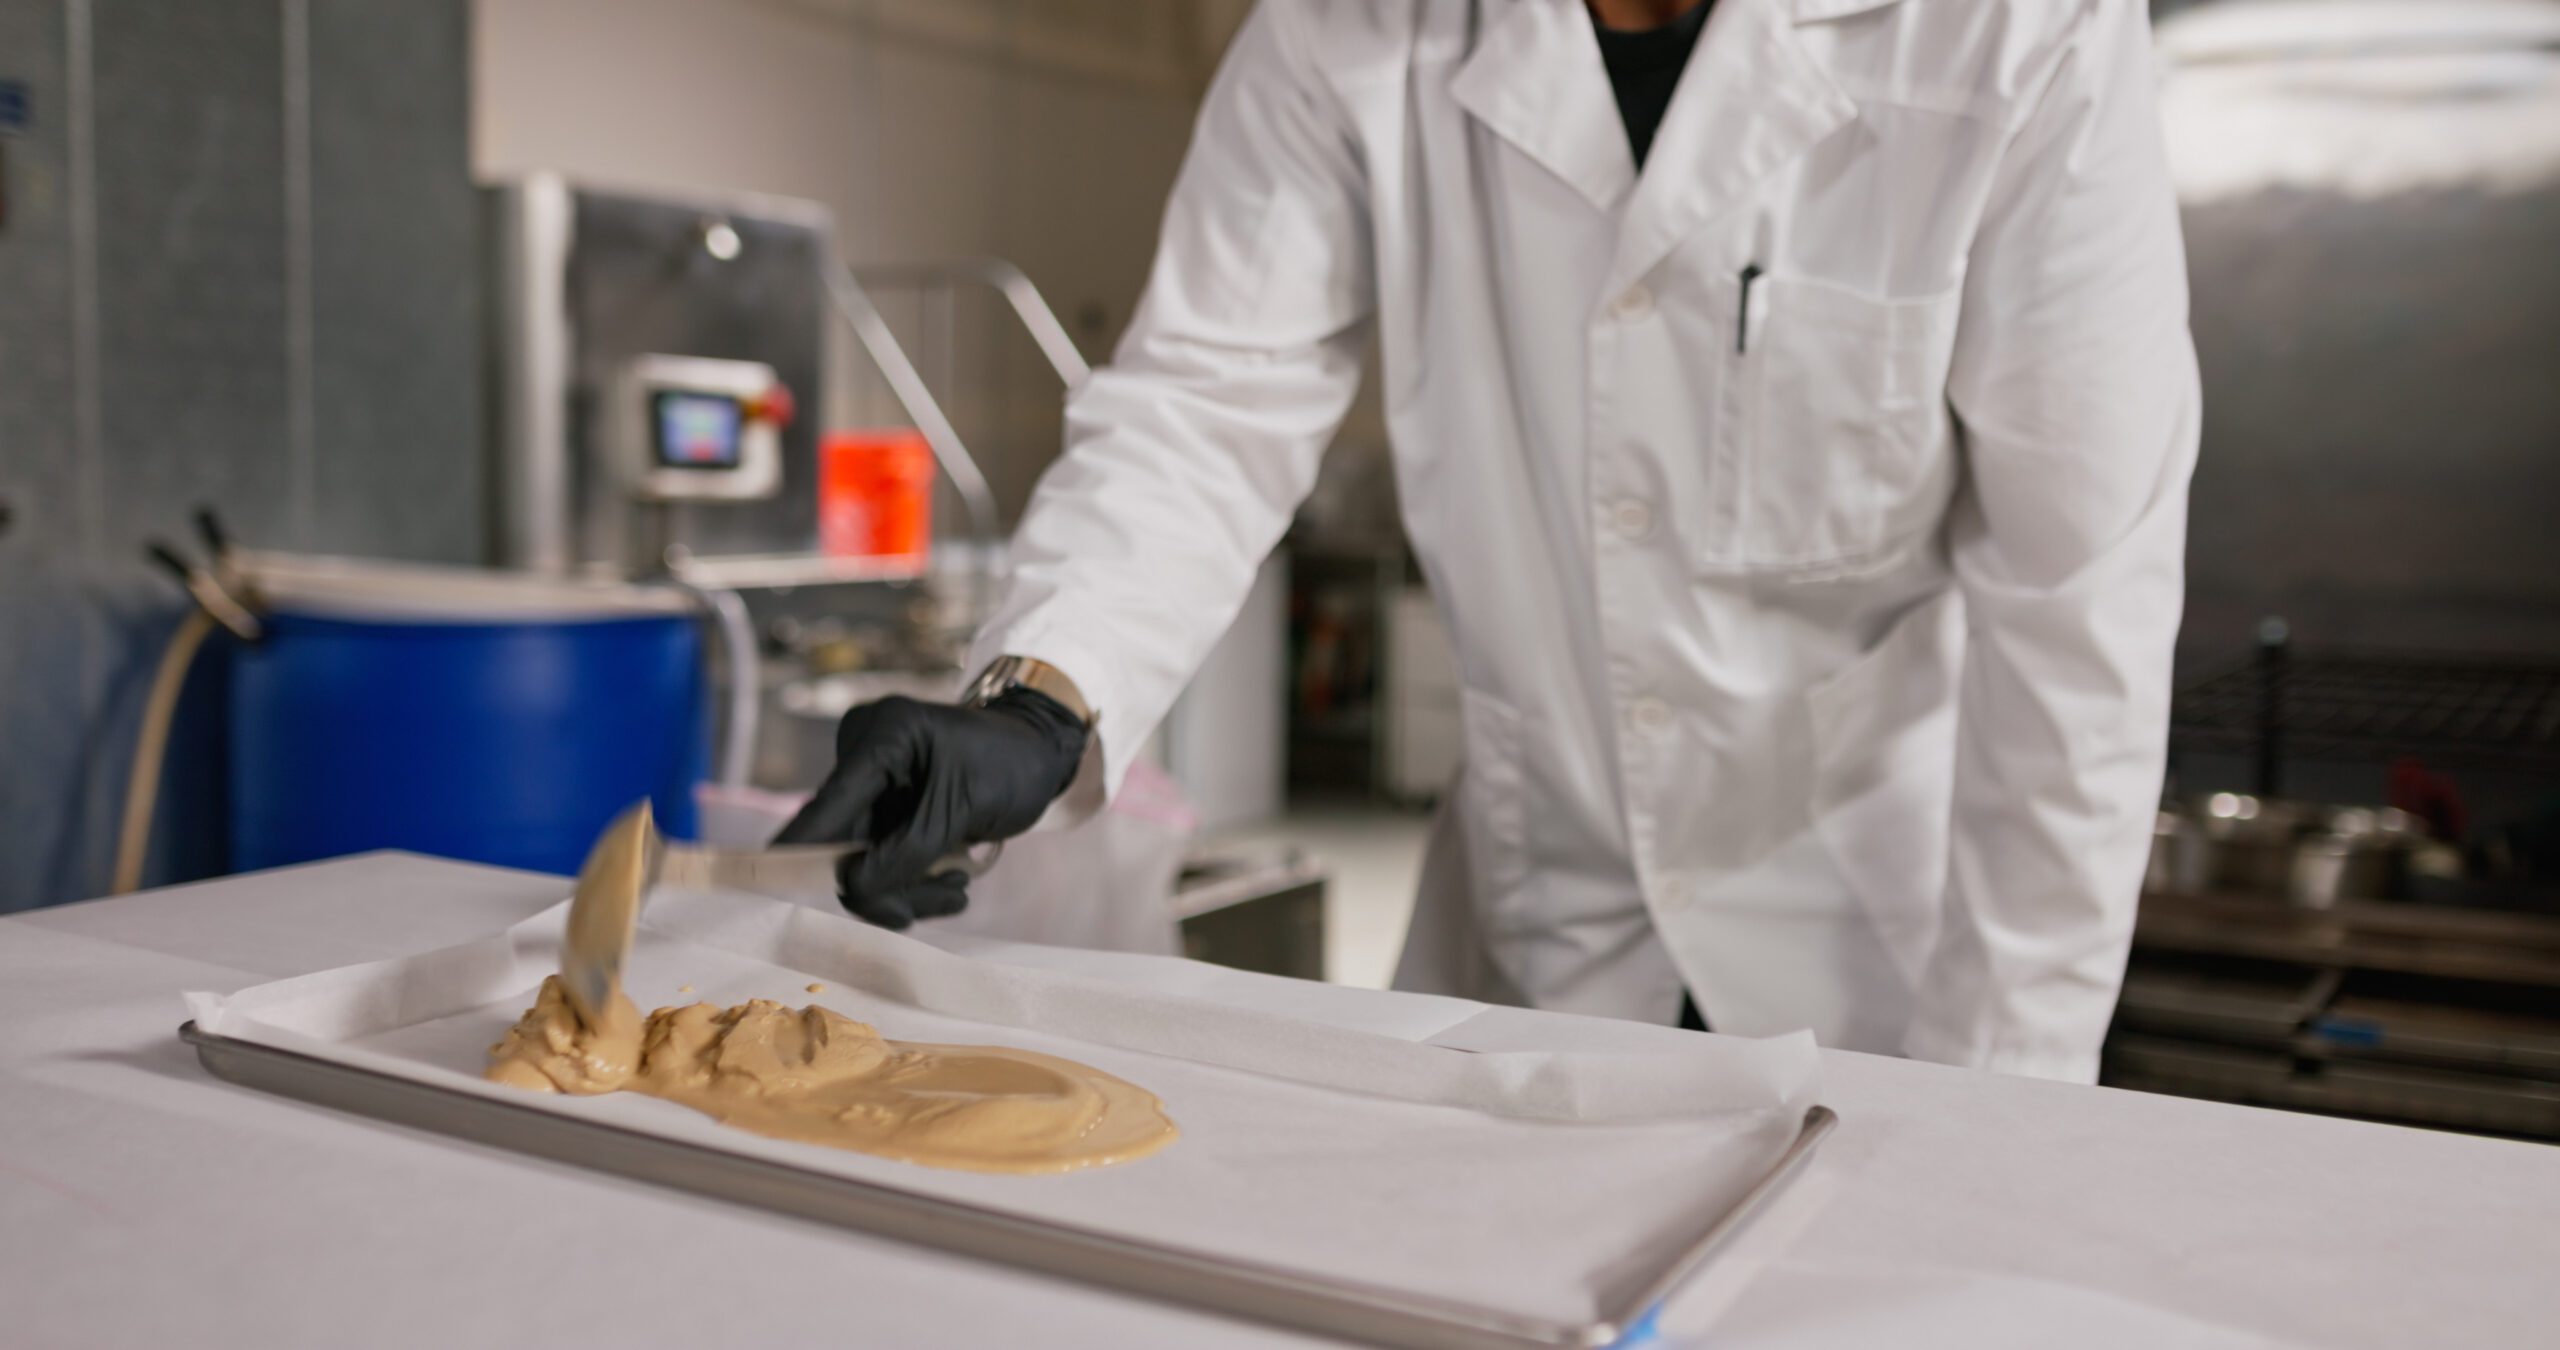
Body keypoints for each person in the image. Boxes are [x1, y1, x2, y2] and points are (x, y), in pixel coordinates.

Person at [777, 0, 2199, 1084]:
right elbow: (1211, 396)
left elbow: (2077, 600)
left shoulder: (2017, 33)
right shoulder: (1354, 26)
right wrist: (1041, 693)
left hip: (1877, 947)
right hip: (1535, 936)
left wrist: (2011, 1095)